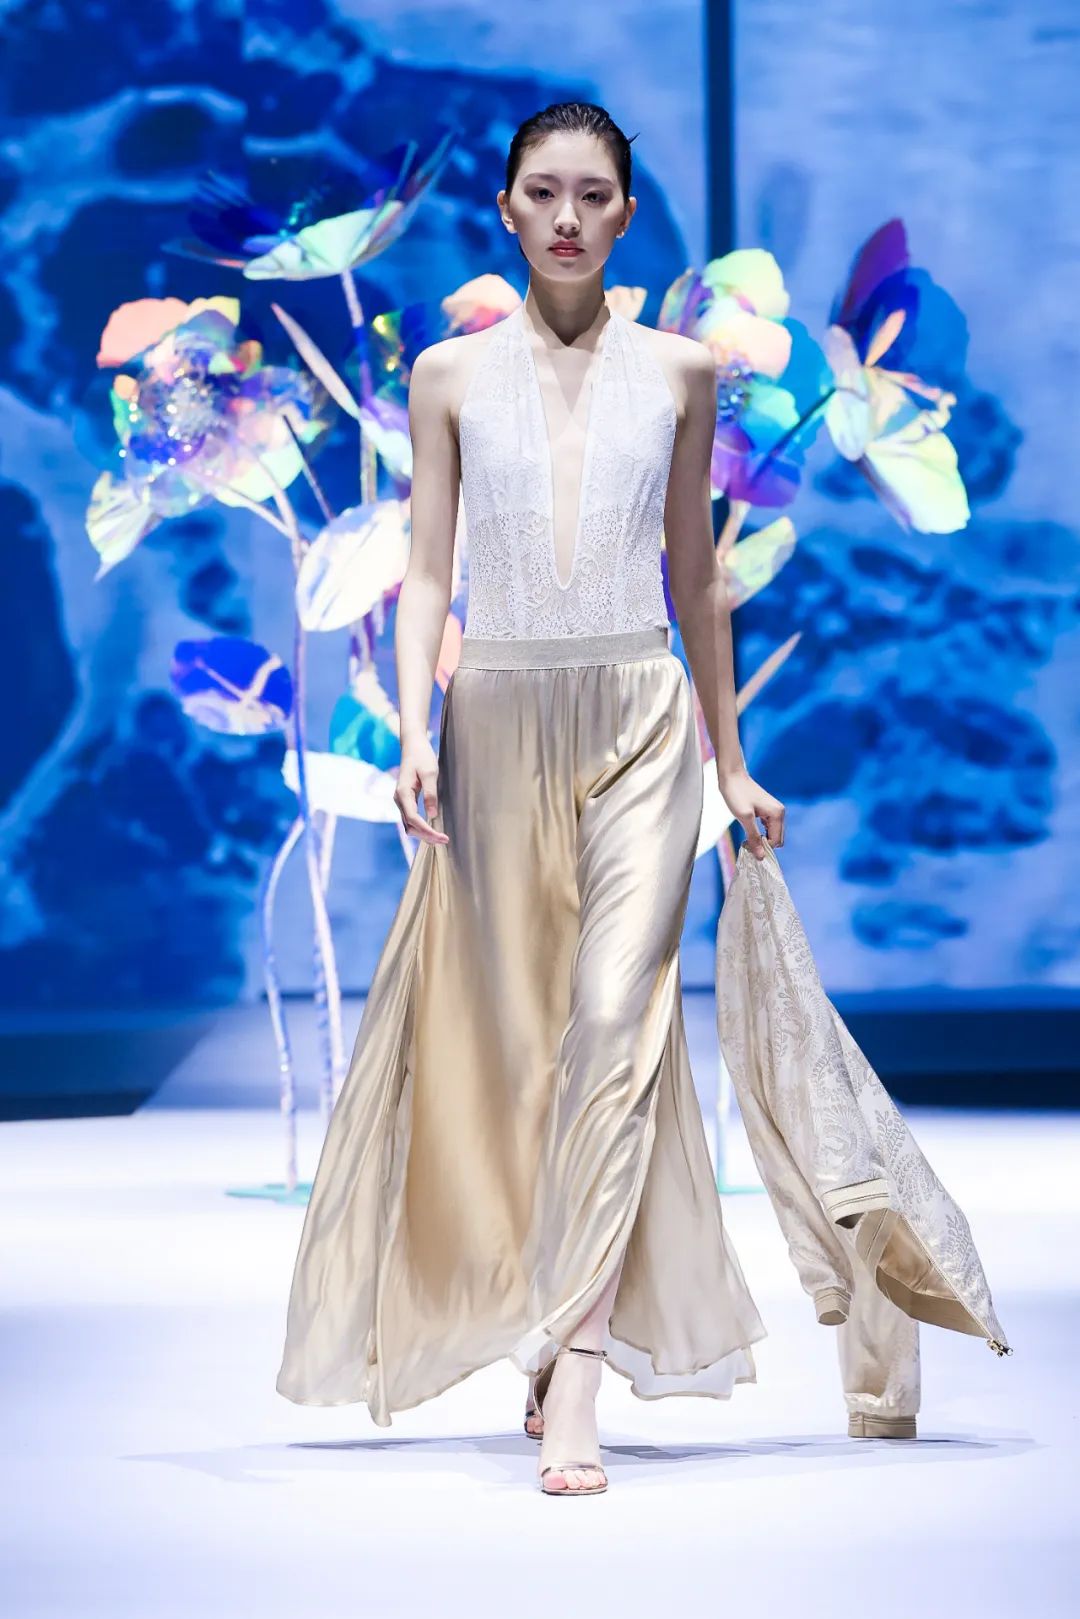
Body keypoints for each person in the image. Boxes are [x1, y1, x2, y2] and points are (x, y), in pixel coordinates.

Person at [276, 101, 1009, 1496]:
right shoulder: (447, 376)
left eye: (593, 195)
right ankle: (543, 1316)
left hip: (639, 723)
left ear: (625, 211)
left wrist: (730, 759)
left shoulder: (680, 371)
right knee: (521, 1054)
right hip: (493, 721)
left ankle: (577, 1376)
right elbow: (426, 569)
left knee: (618, 1025)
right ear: (506, 209)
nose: (566, 217)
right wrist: (415, 730)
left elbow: (696, 578)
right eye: (542, 193)